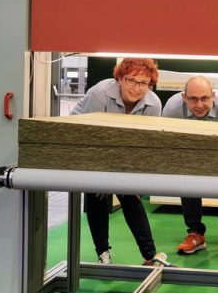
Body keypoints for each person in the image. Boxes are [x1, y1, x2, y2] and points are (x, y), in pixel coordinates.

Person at [71, 57, 168, 266]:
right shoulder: (100, 93)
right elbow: (89, 135)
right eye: (131, 80)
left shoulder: (153, 104)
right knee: (96, 193)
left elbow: (143, 143)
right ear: (120, 79)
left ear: (150, 85)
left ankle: (150, 256)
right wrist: (101, 173)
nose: (136, 88)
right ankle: (102, 253)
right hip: (85, 143)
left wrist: (132, 174)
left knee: (130, 195)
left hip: (123, 151)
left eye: (143, 83)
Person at [162, 75, 218, 259]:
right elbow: (166, 142)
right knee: (186, 178)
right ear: (184, 97)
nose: (199, 105)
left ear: (213, 96)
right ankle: (195, 234)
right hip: (190, 152)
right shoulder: (172, 109)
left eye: (204, 98)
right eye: (193, 99)